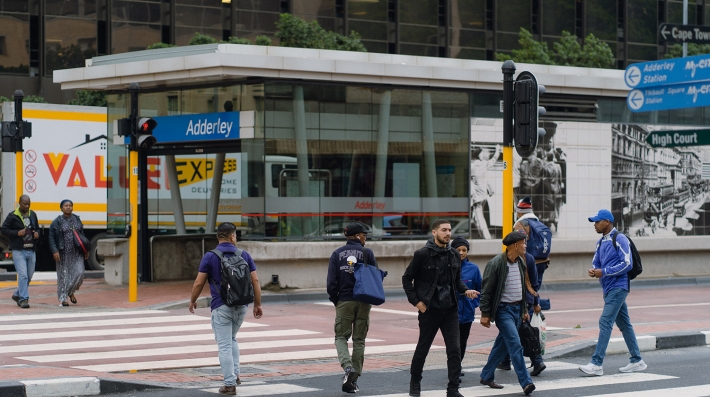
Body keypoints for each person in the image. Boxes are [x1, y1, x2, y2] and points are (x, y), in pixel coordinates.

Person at [402, 219, 479, 397]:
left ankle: (453, 389)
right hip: (429, 310)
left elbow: (456, 280)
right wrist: (417, 302)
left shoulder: (453, 254)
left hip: (450, 309)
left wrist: (466, 290)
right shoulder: (422, 254)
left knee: (454, 349)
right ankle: (415, 384)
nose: (448, 233)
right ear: (434, 232)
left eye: (449, 230)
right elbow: (407, 279)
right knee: (423, 348)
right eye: (444, 230)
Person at [189, 222, 263, 396]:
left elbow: (199, 282)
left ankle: (229, 384)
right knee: (232, 339)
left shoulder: (210, 256)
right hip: (241, 306)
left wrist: (193, 300)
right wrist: (258, 304)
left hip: (221, 306)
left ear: (218, 237)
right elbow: (255, 281)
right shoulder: (244, 254)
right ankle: (235, 374)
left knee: (224, 345)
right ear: (232, 236)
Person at [579, 209, 646, 376]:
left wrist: (604, 271)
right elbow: (596, 262)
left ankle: (596, 363)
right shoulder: (600, 242)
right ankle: (637, 360)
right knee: (624, 324)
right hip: (608, 288)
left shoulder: (620, 238)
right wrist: (594, 270)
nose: (594, 225)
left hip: (619, 286)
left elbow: (627, 264)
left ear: (607, 222)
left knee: (605, 321)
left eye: (597, 221)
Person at [478, 231, 536, 396]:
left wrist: (524, 310)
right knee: (515, 344)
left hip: (518, 310)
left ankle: (486, 375)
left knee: (501, 345)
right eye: (524, 243)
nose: (526, 246)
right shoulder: (495, 263)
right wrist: (485, 313)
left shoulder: (521, 262)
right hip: (503, 310)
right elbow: (486, 291)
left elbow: (523, 289)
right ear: (515, 245)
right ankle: (526, 382)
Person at [326, 222, 377, 393]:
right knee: (359, 339)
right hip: (363, 300)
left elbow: (331, 283)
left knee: (341, 336)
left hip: (345, 300)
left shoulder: (337, 254)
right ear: (357, 236)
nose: (365, 238)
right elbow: (374, 278)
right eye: (364, 235)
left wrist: (337, 300)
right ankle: (353, 379)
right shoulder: (367, 253)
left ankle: (348, 367)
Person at [497, 225, 545, 376]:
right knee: (512, 331)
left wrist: (536, 304)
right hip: (521, 302)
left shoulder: (527, 259)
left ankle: (537, 360)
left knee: (523, 332)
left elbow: (534, 285)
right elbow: (535, 284)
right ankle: (505, 361)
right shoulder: (521, 258)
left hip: (522, 303)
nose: (524, 244)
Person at [451, 236, 481, 384]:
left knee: (462, 341)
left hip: (467, 313)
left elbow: (480, 289)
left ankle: (458, 365)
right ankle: (454, 368)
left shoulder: (474, 269)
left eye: (464, 250)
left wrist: (474, 303)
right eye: (458, 250)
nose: (462, 253)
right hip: (451, 312)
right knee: (454, 343)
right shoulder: (448, 266)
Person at [1, 195, 40, 309]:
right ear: (19, 203)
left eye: (28, 204)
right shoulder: (13, 216)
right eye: (24, 204)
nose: (27, 206)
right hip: (19, 250)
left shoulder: (32, 214)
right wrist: (17, 233)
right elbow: (4, 230)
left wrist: (37, 233)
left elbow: (36, 228)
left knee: (29, 275)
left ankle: (17, 294)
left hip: (31, 249)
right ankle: (24, 299)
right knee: (22, 275)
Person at [49, 199, 88, 307]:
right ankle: (64, 299)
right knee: (63, 276)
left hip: (77, 252)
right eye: (66, 205)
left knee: (80, 273)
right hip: (63, 253)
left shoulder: (77, 219)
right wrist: (55, 250)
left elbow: (82, 236)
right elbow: (51, 236)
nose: (68, 207)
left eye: (70, 205)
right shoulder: (57, 221)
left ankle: (70, 291)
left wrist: (85, 250)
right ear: (61, 208)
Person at [470, 145, 500, 239]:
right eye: (482, 153)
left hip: (477, 198)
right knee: (477, 218)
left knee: (480, 219)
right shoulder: (484, 164)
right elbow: (494, 159)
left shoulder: (472, 166)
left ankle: (486, 238)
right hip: (483, 195)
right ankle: (483, 236)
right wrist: (497, 150)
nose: (484, 154)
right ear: (479, 155)